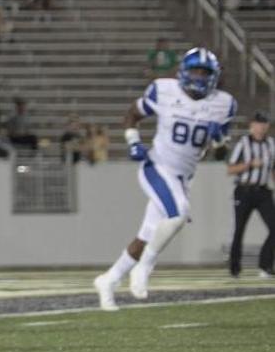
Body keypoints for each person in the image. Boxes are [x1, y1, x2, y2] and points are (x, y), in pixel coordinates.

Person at [93, 48, 236, 311]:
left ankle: (108, 279)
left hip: (184, 178)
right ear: (184, 70)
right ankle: (144, 268)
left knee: (147, 236)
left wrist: (218, 140)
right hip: (157, 167)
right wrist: (133, 141)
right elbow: (132, 114)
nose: (200, 77)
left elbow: (220, 152)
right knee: (178, 214)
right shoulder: (163, 90)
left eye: (205, 72)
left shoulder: (223, 103)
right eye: (196, 70)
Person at [226, 112, 274, 278]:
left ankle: (265, 266)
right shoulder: (243, 143)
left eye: (264, 124)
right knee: (238, 230)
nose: (261, 127)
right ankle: (234, 267)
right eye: (258, 124)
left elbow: (273, 169)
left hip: (263, 191)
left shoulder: (271, 144)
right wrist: (249, 165)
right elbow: (230, 169)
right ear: (252, 126)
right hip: (244, 190)